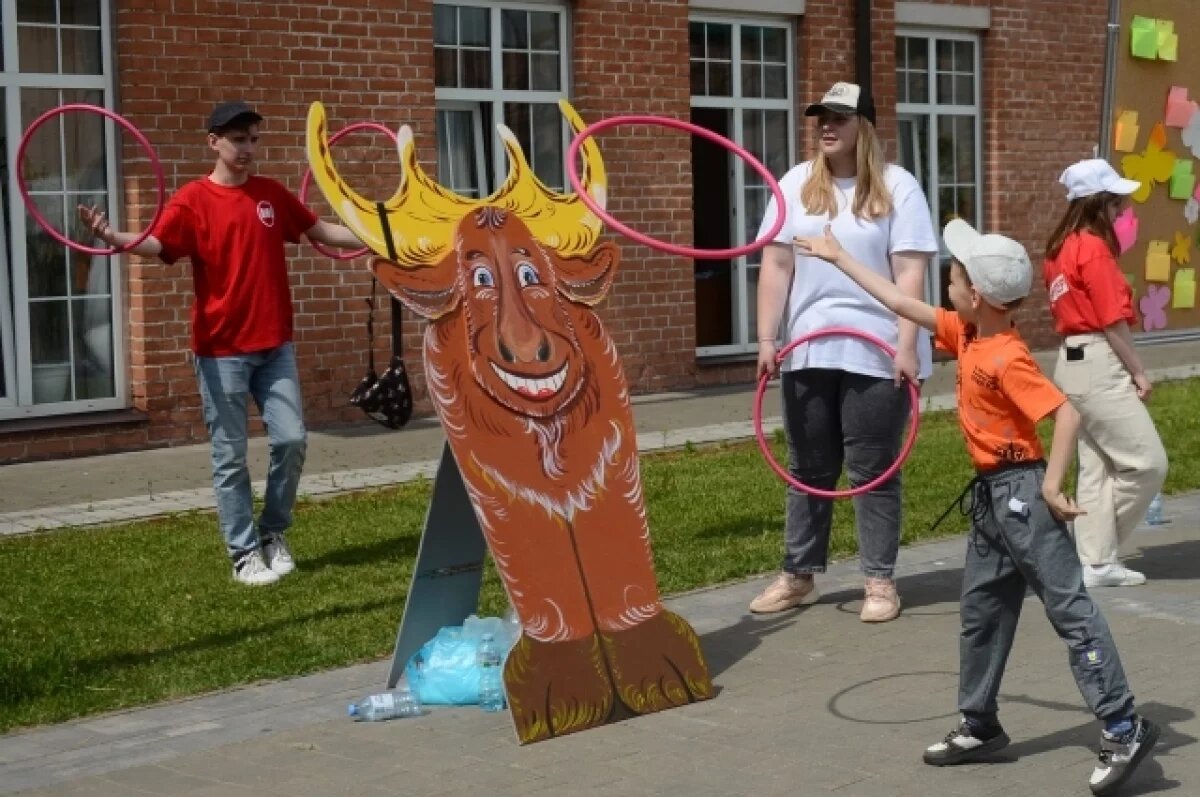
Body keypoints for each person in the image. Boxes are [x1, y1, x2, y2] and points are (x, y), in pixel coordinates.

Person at [794, 218, 1159, 796]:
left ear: (979, 295)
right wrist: (838, 257)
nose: (948, 280)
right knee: (981, 611)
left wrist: (1052, 486)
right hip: (992, 501)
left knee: (1070, 610)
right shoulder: (966, 333)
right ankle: (981, 725)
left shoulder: (1006, 356)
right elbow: (896, 299)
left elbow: (1065, 413)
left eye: (956, 275)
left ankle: (1123, 723)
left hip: (1023, 498)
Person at [79, 101, 364, 586]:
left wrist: (380, 236)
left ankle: (273, 534)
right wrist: (115, 236)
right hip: (221, 350)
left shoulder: (271, 196)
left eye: (254, 138)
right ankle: (243, 553)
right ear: (214, 141)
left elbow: (321, 231)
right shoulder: (193, 200)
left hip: (275, 347)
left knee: (292, 439)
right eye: (238, 139)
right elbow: (158, 243)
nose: (248, 148)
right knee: (230, 455)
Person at [750, 81, 937, 622]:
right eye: (820, 117)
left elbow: (910, 273)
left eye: (839, 117)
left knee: (871, 466)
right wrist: (767, 339)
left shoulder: (899, 188)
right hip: (809, 348)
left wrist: (907, 346)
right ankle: (798, 573)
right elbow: (777, 266)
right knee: (808, 466)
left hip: (878, 350)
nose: (826, 126)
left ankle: (879, 582)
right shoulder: (795, 183)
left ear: (865, 126)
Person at [1044, 159, 1168, 588]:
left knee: (1097, 467)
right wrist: (1139, 371)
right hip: (1097, 360)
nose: (1122, 210)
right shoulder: (1093, 247)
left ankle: (1094, 562)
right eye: (1117, 203)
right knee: (1148, 464)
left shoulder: (1060, 247)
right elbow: (1112, 320)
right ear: (1099, 203)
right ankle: (1097, 549)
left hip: (1072, 362)